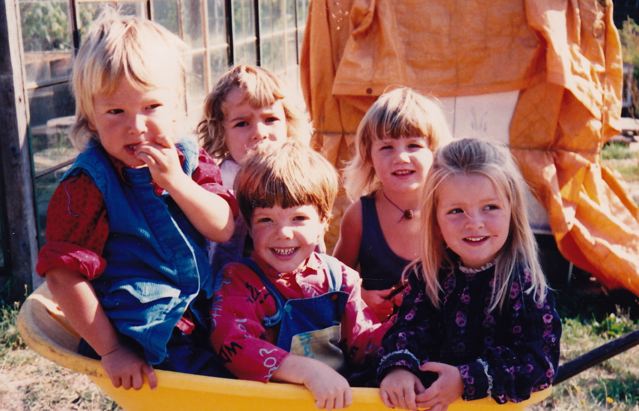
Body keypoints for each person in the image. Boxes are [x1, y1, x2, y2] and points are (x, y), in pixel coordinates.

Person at [35, 10, 236, 390]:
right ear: (91, 117)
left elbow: (223, 227)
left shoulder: (189, 161)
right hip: (144, 330)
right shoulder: (87, 185)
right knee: (210, 386)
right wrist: (111, 350)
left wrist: (177, 182)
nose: (136, 126)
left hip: (206, 309)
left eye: (151, 107)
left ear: (175, 104)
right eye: (115, 111)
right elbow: (63, 277)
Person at [377, 138, 562, 410]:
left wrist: (465, 379)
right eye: (456, 211)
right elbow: (408, 329)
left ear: (512, 211)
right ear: (436, 221)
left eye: (490, 207)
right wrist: (399, 368)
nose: (474, 223)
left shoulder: (524, 285)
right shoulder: (429, 276)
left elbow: (538, 363)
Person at [209, 140, 390, 409]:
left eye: (298, 219)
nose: (283, 232)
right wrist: (307, 371)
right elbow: (233, 342)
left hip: (333, 403)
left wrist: (403, 329)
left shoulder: (340, 278)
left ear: (323, 223)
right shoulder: (238, 281)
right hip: (266, 405)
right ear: (248, 225)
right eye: (266, 220)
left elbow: (362, 343)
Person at [333, 87, 451, 320]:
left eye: (414, 146)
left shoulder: (450, 210)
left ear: (435, 152)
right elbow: (334, 283)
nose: (401, 157)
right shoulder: (359, 215)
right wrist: (362, 297)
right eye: (387, 147)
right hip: (379, 339)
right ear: (368, 156)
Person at [196, 64, 310, 272]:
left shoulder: (302, 174)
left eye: (270, 119)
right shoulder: (217, 184)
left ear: (288, 122)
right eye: (242, 123)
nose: (259, 132)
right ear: (221, 132)